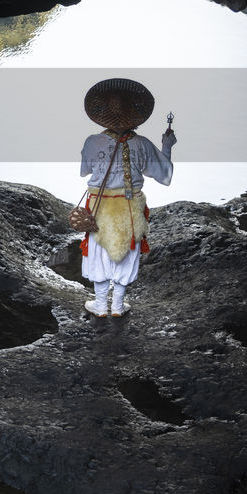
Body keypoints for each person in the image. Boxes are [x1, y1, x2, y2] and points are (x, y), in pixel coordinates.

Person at [78, 78, 176, 317]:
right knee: (126, 251)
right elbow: (164, 174)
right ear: (136, 114)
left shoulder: (92, 142)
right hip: (129, 207)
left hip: (99, 206)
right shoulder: (142, 144)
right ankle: (118, 306)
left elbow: (85, 171)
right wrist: (167, 145)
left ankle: (101, 305)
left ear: (101, 114)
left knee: (99, 250)